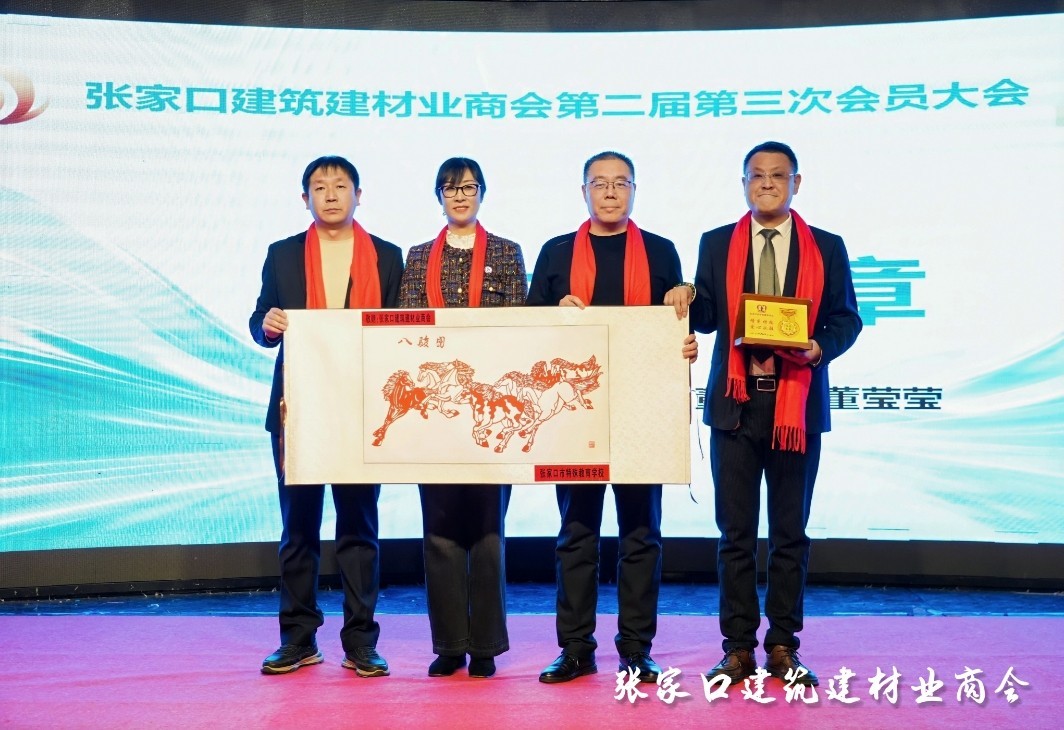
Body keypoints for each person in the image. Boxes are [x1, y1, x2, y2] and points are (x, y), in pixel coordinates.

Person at [690, 141, 862, 686]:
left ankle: (784, 645)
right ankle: (738, 649)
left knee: (790, 534)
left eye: (777, 175)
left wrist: (818, 347)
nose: (766, 184)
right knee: (735, 535)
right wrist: (685, 298)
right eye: (757, 176)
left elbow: (846, 319)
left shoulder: (826, 247)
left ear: (796, 183)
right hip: (735, 406)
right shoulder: (717, 242)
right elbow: (709, 317)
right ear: (744, 183)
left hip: (796, 405)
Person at [527, 151, 698, 684]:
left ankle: (636, 648)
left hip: (643, 410)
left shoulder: (660, 251)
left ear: (633, 190)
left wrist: (685, 331)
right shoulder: (557, 252)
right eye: (598, 183)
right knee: (576, 533)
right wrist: (553, 316)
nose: (609, 192)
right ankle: (575, 648)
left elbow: (677, 322)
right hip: (574, 414)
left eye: (620, 183)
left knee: (641, 534)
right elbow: (527, 328)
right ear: (583, 191)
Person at [250, 155, 403, 676]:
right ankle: (298, 639)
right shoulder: (283, 254)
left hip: (362, 407)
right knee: (299, 530)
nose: (331, 194)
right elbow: (260, 318)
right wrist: (267, 324)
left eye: (341, 186)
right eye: (320, 187)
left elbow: (403, 329)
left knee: (359, 531)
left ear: (359, 195)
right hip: (298, 410)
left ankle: (361, 641)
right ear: (305, 199)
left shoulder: (387, 256)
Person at [397, 157, 527, 679]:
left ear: (482, 193)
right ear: (439, 196)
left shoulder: (507, 252)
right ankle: (449, 645)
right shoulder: (417, 257)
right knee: (439, 530)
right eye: (450, 188)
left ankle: (486, 646)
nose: (460, 196)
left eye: (469, 187)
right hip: (435, 413)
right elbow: (402, 327)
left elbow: (518, 327)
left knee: (488, 531)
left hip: (491, 410)